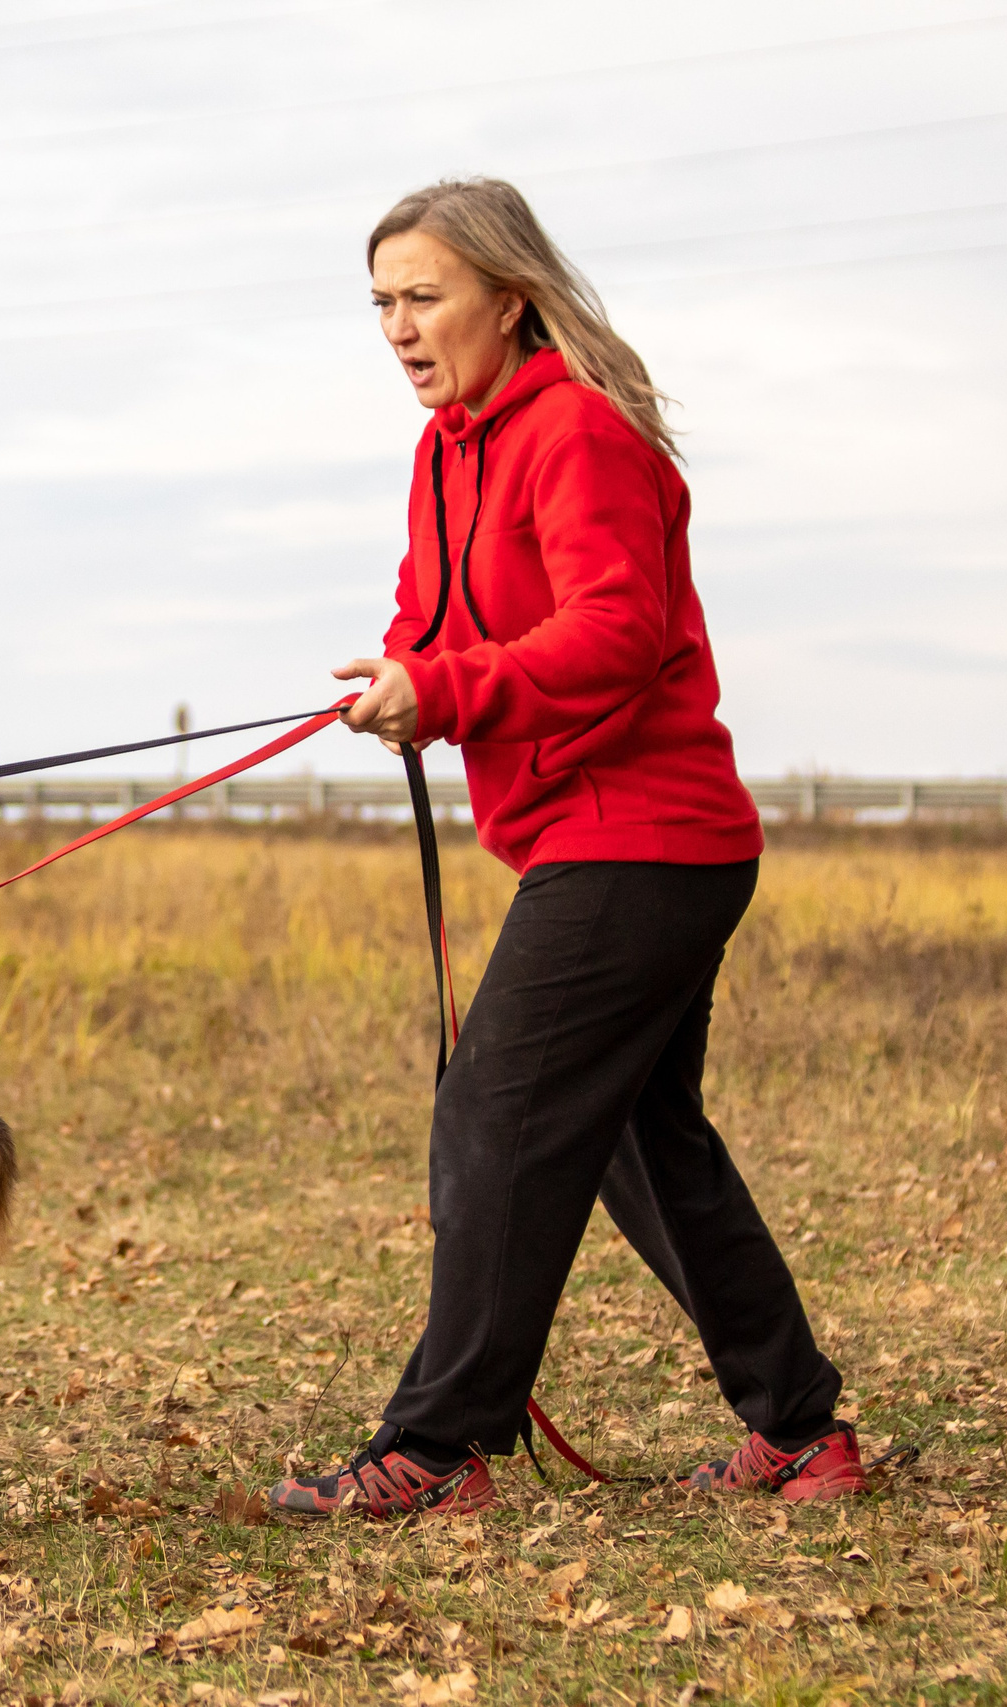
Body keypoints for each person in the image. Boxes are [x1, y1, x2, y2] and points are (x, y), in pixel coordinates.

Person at [266, 178, 863, 1517]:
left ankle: (437, 1449)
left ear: (510, 299)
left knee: (495, 1110)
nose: (398, 327)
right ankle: (800, 1429)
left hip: (645, 833)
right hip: (595, 839)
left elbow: (618, 633)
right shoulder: (445, 452)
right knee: (646, 1145)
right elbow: (434, 614)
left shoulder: (578, 434)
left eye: (424, 298)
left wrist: (449, 692)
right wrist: (402, 676)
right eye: (381, 302)